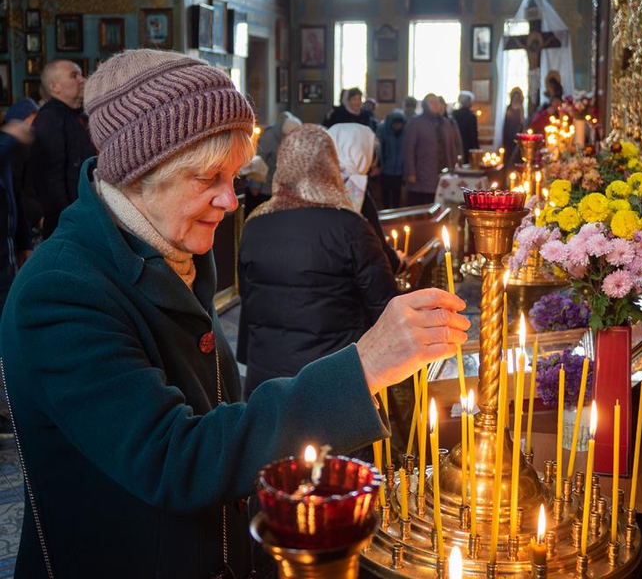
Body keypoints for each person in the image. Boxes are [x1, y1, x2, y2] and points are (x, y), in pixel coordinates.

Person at [0, 49, 468, 577]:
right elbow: (176, 457)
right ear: (142, 172)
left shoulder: (168, 246)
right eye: (209, 178)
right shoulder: (62, 289)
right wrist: (363, 366)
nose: (231, 199)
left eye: (235, 176)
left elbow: (219, 402)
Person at [239, 124, 398, 401]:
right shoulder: (350, 226)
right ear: (330, 166)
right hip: (332, 380)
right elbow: (384, 308)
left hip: (267, 383)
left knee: (275, 444)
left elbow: (249, 303)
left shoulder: (255, 224)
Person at [25, 59, 96, 239]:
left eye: (80, 74)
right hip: (67, 222)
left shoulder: (79, 115)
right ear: (54, 87)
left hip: (86, 212)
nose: (82, 79)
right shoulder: (50, 120)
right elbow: (49, 179)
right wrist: (67, 219)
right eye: (74, 75)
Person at [329, 123, 402, 273]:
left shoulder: (316, 181)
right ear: (360, 149)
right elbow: (376, 244)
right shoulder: (354, 187)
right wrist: (399, 263)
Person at [0, 98, 38, 313]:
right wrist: (9, 135)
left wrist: (24, 243)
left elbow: (14, 198)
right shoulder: (6, 143)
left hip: (8, 255)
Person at [403, 93, 463, 206]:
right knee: (425, 204)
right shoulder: (415, 122)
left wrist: (455, 165)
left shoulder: (446, 123)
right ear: (425, 105)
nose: (436, 105)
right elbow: (409, 150)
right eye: (431, 102)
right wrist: (411, 172)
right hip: (423, 172)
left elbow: (452, 146)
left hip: (445, 171)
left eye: (437, 102)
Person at [246, 111, 301, 214]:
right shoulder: (269, 137)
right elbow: (259, 160)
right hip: (263, 188)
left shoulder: (292, 132)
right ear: (283, 134)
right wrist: (255, 186)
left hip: (278, 187)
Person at [376, 109, 407, 209]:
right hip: (385, 169)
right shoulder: (382, 130)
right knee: (385, 192)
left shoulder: (406, 132)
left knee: (397, 192)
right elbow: (378, 149)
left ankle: (395, 211)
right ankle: (386, 211)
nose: (397, 126)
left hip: (399, 170)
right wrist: (380, 164)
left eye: (399, 124)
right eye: (395, 124)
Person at [453, 91, 480, 160]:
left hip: (456, 145)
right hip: (468, 146)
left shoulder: (454, 114)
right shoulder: (471, 116)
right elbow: (473, 134)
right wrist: (477, 149)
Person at [502, 87, 525, 164]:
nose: (516, 99)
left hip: (517, 131)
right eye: (514, 97)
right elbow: (506, 121)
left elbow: (522, 121)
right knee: (508, 153)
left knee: (516, 154)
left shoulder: (521, 108)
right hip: (508, 132)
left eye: (517, 97)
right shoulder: (509, 107)